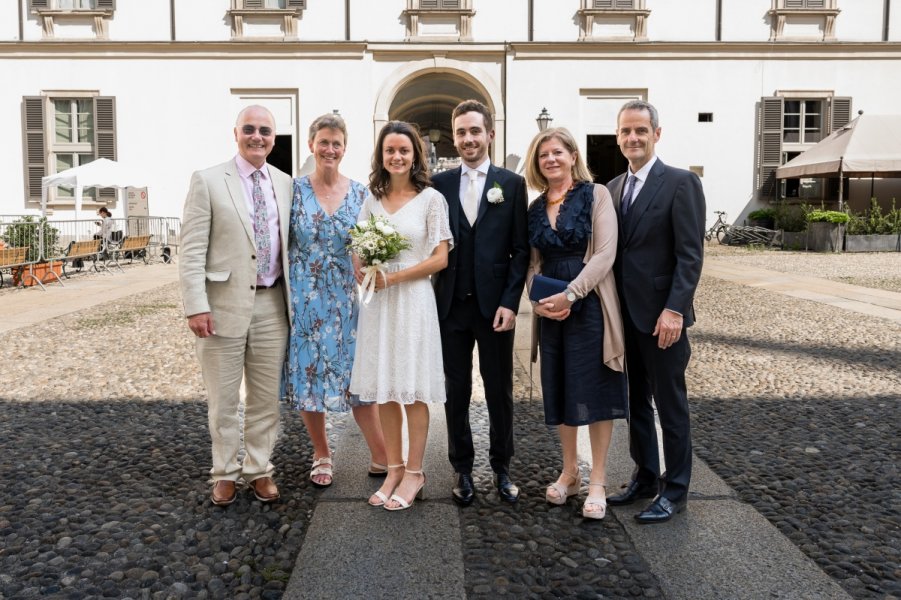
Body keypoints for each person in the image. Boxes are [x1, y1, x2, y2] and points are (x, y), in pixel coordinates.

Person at [179, 105, 293, 507]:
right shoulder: (208, 180)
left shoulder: (285, 183)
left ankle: (259, 470)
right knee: (223, 400)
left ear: (273, 139)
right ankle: (224, 472)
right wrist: (196, 305)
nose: (257, 136)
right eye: (250, 129)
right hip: (221, 306)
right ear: (236, 134)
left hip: (272, 305)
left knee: (265, 401)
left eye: (264, 131)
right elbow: (191, 250)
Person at [605, 100, 706, 524]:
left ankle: (676, 489)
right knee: (635, 403)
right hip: (624, 318)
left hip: (663, 318)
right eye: (626, 131)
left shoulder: (681, 183)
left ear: (656, 135)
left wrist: (674, 311)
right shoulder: (611, 189)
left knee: (670, 404)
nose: (633, 138)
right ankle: (646, 475)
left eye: (641, 131)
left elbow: (690, 256)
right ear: (618, 138)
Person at [523, 127, 628, 520]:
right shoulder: (534, 208)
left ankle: (597, 479)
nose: (550, 159)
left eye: (557, 152)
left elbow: (604, 254)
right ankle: (569, 472)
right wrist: (541, 301)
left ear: (571, 156)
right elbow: (532, 264)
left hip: (591, 304)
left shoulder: (595, 195)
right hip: (552, 309)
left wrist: (571, 294)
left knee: (595, 391)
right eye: (543, 155)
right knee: (562, 389)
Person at [349, 121, 453, 511]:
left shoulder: (431, 199)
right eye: (390, 150)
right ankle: (392, 468)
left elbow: (440, 258)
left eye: (404, 151)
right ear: (381, 156)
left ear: (415, 155)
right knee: (386, 387)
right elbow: (358, 242)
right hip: (379, 304)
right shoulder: (371, 199)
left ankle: (415, 472)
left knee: (411, 388)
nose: (397, 157)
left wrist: (394, 277)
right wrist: (359, 263)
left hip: (411, 300)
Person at [431, 99, 529, 506]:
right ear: (455, 138)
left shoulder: (511, 184)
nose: (468, 139)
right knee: (455, 390)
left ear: (490, 134)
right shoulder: (440, 185)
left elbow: (520, 250)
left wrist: (511, 301)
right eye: (461, 132)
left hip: (495, 309)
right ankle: (463, 469)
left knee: (498, 390)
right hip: (451, 305)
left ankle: (502, 467)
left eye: (475, 131)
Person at [282, 114, 388, 488]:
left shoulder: (361, 194)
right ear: (311, 145)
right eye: (323, 142)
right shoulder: (292, 191)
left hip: (345, 302)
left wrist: (370, 264)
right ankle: (321, 453)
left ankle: (381, 455)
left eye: (336, 143)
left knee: (357, 381)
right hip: (304, 303)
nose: (329, 149)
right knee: (309, 379)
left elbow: (367, 243)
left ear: (345, 149)